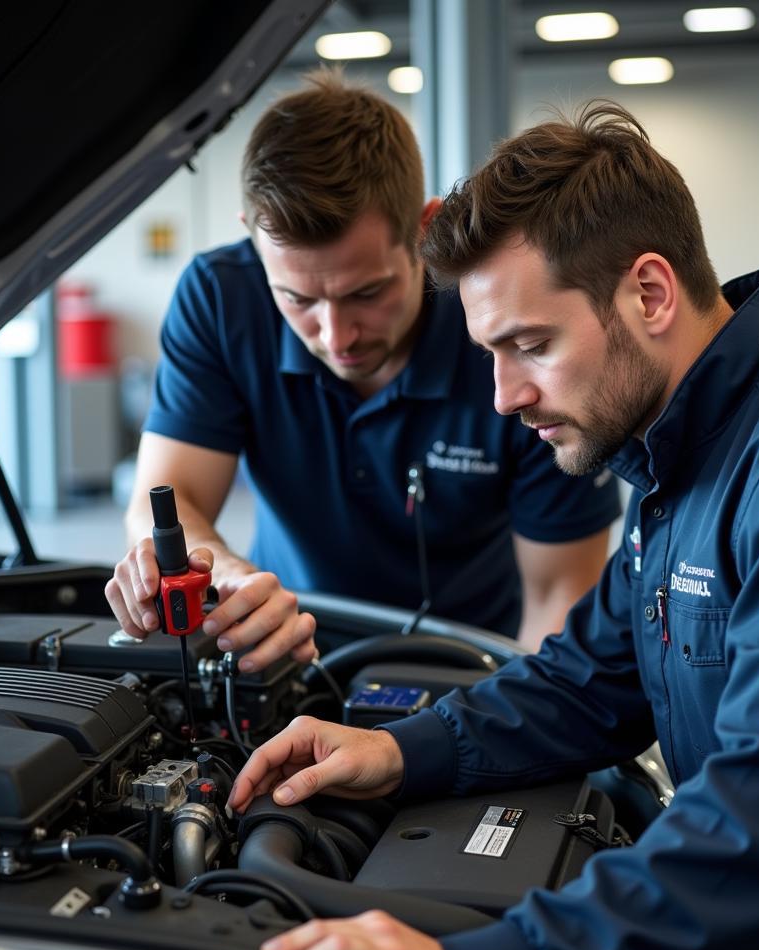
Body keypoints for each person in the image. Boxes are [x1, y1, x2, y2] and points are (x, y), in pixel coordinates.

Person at [227, 101, 759, 950]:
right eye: (490, 354)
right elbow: (588, 682)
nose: (505, 397)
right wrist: (397, 751)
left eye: (532, 345)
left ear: (650, 293)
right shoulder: (678, 461)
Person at [105, 71, 620, 671]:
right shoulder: (221, 299)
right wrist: (233, 581)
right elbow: (164, 502)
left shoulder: (504, 325)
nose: (336, 334)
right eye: (298, 299)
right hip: (285, 656)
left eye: (367, 292)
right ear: (253, 240)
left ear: (425, 229)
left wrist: (497, 734)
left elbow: (559, 596)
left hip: (470, 668)